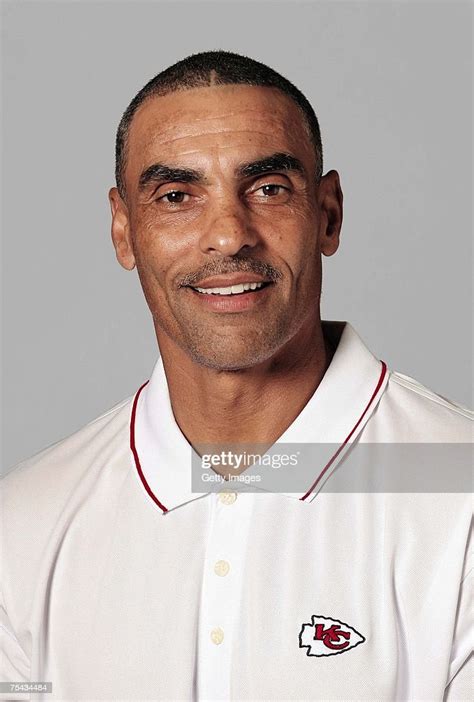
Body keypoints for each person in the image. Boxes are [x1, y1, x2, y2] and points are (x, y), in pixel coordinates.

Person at [1, 51, 471, 702]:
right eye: (176, 196)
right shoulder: (22, 524)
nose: (228, 235)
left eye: (268, 188)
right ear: (123, 228)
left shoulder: (462, 494)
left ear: (328, 214)